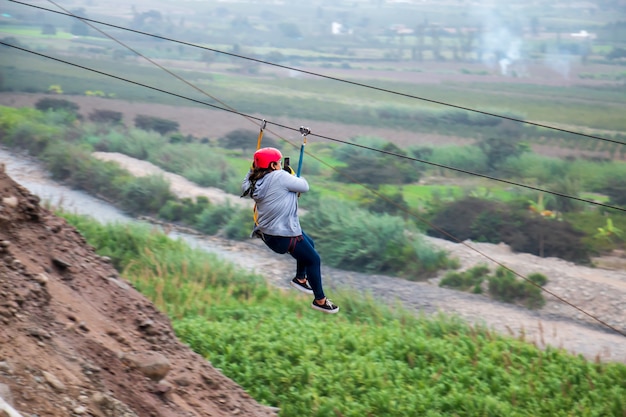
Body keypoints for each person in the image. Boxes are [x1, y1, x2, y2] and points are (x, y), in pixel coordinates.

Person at [241, 147, 339, 314]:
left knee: (310, 244)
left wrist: (254, 167)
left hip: (269, 235)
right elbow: (304, 186)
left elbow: (248, 180)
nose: (280, 165)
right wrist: (291, 175)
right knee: (314, 260)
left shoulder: (252, 182)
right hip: (284, 235)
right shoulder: (279, 176)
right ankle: (320, 300)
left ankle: (300, 278)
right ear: (272, 165)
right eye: (278, 162)